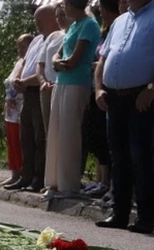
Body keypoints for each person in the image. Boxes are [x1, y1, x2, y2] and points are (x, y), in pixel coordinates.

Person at [94, 0, 154, 233]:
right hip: (114, 98)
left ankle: (147, 217)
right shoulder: (120, 21)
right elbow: (103, 59)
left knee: (141, 156)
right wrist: (98, 88)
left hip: (141, 97)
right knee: (118, 158)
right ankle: (119, 214)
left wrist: (151, 89)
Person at [44, 0, 102, 200]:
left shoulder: (89, 25)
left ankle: (68, 184)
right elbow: (58, 54)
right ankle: (53, 182)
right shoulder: (74, 25)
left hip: (77, 83)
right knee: (56, 132)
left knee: (69, 135)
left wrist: (61, 63)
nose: (65, 9)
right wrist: (57, 62)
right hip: (61, 82)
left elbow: (74, 60)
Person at [7, 5, 59, 192]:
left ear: (52, 19)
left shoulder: (55, 38)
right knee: (26, 136)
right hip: (27, 92)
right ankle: (25, 176)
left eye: (40, 21)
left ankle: (39, 178)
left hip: (39, 89)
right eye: (36, 21)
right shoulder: (37, 40)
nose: (37, 25)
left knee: (39, 136)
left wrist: (26, 81)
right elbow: (27, 62)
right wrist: (18, 79)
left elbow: (44, 69)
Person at [81, 0, 119, 199]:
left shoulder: (118, 28)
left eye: (101, 9)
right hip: (96, 89)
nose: (100, 13)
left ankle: (110, 183)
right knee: (94, 135)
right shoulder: (105, 32)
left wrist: (97, 65)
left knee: (107, 138)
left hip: (111, 90)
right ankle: (102, 180)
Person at [3, 34, 35, 187]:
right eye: (18, 47)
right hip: (11, 110)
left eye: (23, 47)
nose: (20, 50)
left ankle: (24, 173)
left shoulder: (31, 64)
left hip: (22, 107)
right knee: (12, 142)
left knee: (21, 141)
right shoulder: (18, 63)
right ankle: (14, 173)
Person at [38, 4, 70, 135]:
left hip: (64, 86)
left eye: (63, 15)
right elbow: (40, 64)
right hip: (47, 88)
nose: (60, 19)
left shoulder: (75, 34)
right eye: (57, 16)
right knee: (49, 132)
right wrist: (43, 82)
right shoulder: (53, 36)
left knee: (63, 130)